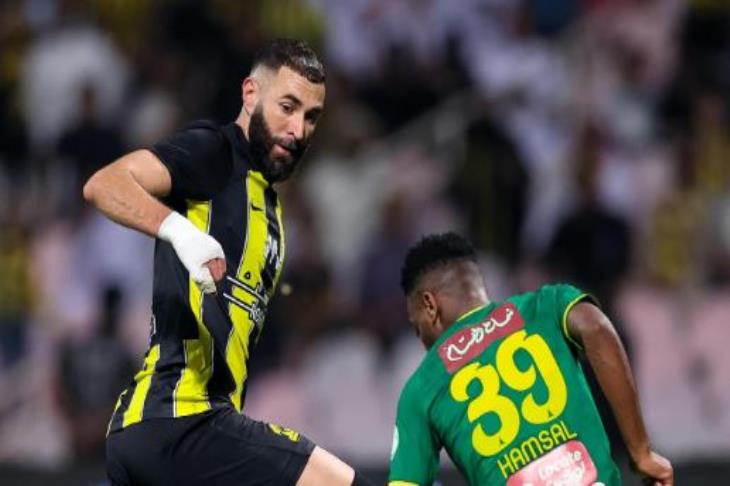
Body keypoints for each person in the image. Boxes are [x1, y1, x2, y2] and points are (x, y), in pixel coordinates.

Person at [84, 39, 371, 486]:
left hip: (181, 435)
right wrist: (178, 231)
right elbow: (105, 184)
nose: (298, 130)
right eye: (287, 107)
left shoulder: (272, 213)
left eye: (311, 116)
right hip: (178, 421)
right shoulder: (214, 152)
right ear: (250, 94)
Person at [389, 232, 673, 486]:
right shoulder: (545, 304)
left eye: (417, 328)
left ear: (429, 304)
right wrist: (641, 452)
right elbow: (595, 326)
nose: (422, 339)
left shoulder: (421, 388)